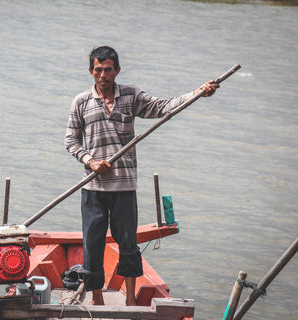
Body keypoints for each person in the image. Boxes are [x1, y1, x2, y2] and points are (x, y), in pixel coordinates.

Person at [64, 46, 219, 306]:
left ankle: (131, 300)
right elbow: (70, 140)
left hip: (124, 186)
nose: (103, 74)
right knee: (93, 244)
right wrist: (90, 161)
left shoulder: (131, 95)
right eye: (98, 69)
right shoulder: (81, 101)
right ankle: (97, 299)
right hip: (94, 189)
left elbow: (163, 107)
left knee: (128, 243)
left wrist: (197, 93)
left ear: (117, 71)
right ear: (91, 71)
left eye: (108, 69)